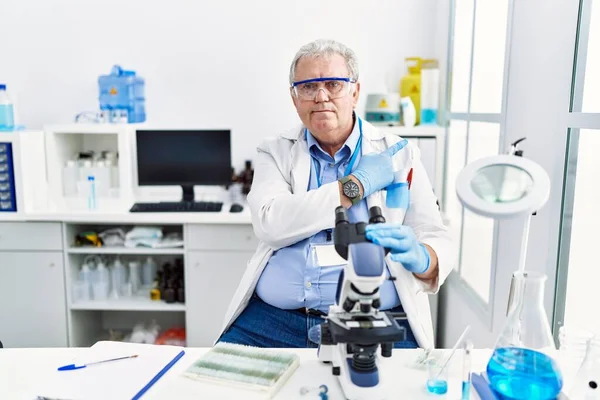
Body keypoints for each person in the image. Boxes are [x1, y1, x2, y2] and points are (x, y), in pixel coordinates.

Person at [217, 39, 454, 350]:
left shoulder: (399, 154)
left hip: (374, 320)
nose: (321, 96)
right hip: (274, 322)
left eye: (333, 84)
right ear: (294, 97)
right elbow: (270, 223)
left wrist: (424, 257)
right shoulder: (275, 151)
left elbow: (435, 235)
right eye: (307, 87)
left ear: (354, 92)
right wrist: (354, 186)